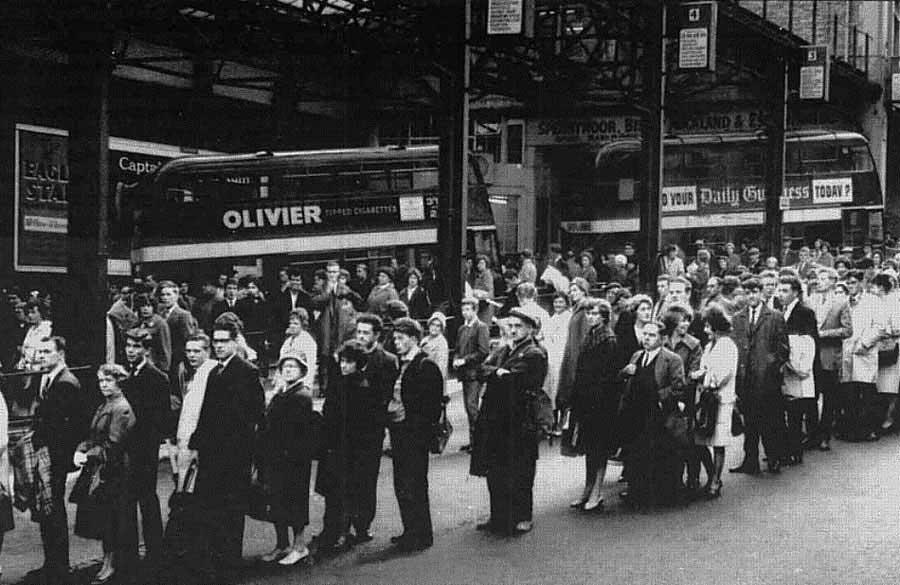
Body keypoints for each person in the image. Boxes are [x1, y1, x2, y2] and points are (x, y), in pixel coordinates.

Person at [188, 321, 265, 584]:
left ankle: (230, 566)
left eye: (224, 341)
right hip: (211, 454)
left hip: (233, 456)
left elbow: (253, 415)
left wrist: (242, 451)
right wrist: (197, 444)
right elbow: (207, 412)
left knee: (231, 511)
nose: (219, 346)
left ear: (235, 342)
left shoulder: (246, 372)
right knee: (212, 508)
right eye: (216, 341)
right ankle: (215, 560)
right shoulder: (214, 372)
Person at [472, 309, 548, 535]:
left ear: (531, 329)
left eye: (519, 326)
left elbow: (516, 380)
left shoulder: (535, 352)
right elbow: (481, 370)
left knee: (521, 469)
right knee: (496, 468)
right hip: (497, 416)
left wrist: (497, 374)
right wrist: (499, 372)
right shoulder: (504, 348)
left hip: (520, 417)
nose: (513, 330)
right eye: (511, 326)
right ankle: (499, 515)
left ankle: (523, 516)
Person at [28, 336, 91, 585]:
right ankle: (51, 562)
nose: (43, 356)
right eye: (40, 351)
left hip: (56, 455)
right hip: (45, 452)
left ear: (60, 353)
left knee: (53, 508)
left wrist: (59, 455)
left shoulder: (66, 382)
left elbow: (70, 425)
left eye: (47, 351)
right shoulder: (46, 378)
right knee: (47, 508)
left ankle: (59, 567)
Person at [72, 364, 135, 585]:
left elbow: (113, 444)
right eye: (101, 381)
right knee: (105, 519)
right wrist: (81, 448)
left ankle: (112, 564)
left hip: (114, 471)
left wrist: (89, 454)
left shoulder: (121, 408)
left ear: (119, 382)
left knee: (112, 520)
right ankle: (108, 562)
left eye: (108, 380)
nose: (104, 385)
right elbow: (94, 435)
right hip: (101, 468)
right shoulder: (106, 404)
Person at [387, 318, 443, 551]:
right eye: (395, 338)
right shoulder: (400, 363)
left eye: (401, 338)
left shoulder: (424, 364)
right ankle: (410, 529)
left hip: (414, 435)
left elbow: (431, 405)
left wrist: (415, 428)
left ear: (413, 338)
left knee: (415, 484)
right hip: (399, 432)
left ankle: (422, 534)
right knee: (402, 483)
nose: (396, 343)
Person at [617, 321, 685, 506]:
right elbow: (623, 382)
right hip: (635, 412)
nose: (646, 338)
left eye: (652, 335)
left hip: (657, 414)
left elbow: (678, 387)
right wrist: (624, 373)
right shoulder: (637, 356)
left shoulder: (672, 359)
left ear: (662, 339)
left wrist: (659, 397)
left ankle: (660, 493)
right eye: (645, 334)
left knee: (657, 452)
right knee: (635, 451)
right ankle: (636, 490)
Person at [257, 352, 315, 566]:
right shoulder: (282, 392)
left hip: (293, 459)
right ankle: (282, 544)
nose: (288, 369)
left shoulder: (301, 395)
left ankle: (299, 546)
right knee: (277, 500)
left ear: (302, 370)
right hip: (275, 456)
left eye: (293, 366)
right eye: (285, 366)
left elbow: (298, 432)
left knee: (295, 502)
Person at [120, 328, 169, 572]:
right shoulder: (126, 374)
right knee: (128, 500)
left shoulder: (156, 378)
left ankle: (155, 552)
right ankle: (130, 553)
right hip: (128, 448)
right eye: (129, 345)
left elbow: (158, 421)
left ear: (147, 350)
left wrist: (144, 446)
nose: (131, 350)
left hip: (144, 450)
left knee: (147, 499)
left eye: (137, 346)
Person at [730, 278, 789, 475]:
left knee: (769, 421)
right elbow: (735, 346)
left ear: (761, 292)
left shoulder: (774, 316)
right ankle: (750, 461)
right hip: (745, 378)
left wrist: (771, 364)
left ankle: (773, 458)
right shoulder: (738, 318)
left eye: (754, 292)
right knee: (750, 422)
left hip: (767, 380)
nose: (751, 296)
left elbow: (783, 349)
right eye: (747, 293)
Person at [568, 299, 622, 511]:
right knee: (589, 447)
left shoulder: (608, 340)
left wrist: (597, 397)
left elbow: (609, 376)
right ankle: (588, 488)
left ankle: (597, 491)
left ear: (604, 317)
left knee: (599, 448)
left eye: (594, 314)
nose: (590, 317)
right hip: (585, 400)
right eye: (588, 313)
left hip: (601, 403)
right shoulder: (590, 336)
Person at [693, 305, 738, 498]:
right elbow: (705, 366)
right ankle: (712, 474)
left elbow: (724, 373)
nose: (705, 330)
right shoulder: (710, 345)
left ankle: (716, 480)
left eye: (707, 327)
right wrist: (701, 374)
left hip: (721, 398)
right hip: (707, 398)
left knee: (718, 441)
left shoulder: (727, 345)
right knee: (702, 439)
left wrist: (708, 380)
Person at [662, 305, 704, 496]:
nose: (685, 324)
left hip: (685, 397)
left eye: (687, 320)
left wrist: (678, 388)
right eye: (681, 321)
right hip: (665, 396)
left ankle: (693, 477)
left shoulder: (693, 345)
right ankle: (671, 479)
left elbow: (692, 374)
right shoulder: (663, 340)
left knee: (688, 440)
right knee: (667, 439)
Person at [809, 268, 852, 451]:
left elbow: (848, 330)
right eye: (818, 278)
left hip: (829, 356)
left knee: (829, 399)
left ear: (833, 282)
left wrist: (824, 334)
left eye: (824, 278)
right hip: (811, 356)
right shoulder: (810, 301)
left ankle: (825, 436)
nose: (819, 281)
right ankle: (812, 435)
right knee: (811, 397)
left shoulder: (841, 303)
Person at [778, 275, 819, 464]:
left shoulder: (805, 312)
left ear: (795, 292)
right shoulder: (780, 311)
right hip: (784, 367)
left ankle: (795, 451)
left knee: (795, 412)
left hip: (798, 365)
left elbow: (811, 341)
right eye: (780, 290)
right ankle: (786, 449)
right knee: (785, 411)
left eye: (785, 291)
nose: (780, 294)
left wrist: (801, 366)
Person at [841, 270, 882, 442]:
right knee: (850, 393)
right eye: (848, 283)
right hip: (847, 351)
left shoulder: (873, 301)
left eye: (854, 282)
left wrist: (865, 343)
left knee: (867, 392)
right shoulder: (844, 302)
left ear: (862, 282)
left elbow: (880, 327)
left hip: (865, 351)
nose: (851, 286)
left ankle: (870, 428)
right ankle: (852, 429)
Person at [453, 298, 490, 451]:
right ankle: (473, 440)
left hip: (474, 373)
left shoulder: (481, 327)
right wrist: (456, 359)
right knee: (468, 408)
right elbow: (457, 348)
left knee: (472, 407)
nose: (465, 313)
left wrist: (464, 360)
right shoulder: (462, 328)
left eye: (468, 309)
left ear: (475, 310)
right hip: (465, 374)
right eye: (463, 310)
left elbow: (483, 351)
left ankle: (479, 442)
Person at [556, 278, 592, 412]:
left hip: (577, 354)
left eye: (575, 290)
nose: (572, 293)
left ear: (583, 291)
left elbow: (584, 335)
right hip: (571, 351)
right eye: (570, 291)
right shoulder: (576, 309)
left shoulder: (584, 310)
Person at [871, 274, 900, 432]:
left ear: (881, 287)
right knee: (878, 384)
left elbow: (897, 327)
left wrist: (886, 331)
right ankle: (880, 415)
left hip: (891, 345)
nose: (872, 289)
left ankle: (890, 416)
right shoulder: (875, 302)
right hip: (878, 346)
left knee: (890, 385)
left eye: (874, 286)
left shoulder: (893, 302)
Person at [543, 292, 572, 431]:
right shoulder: (552, 317)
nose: (557, 305)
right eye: (555, 302)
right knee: (551, 390)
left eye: (560, 302)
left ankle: (562, 420)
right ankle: (552, 420)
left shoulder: (568, 318)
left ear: (566, 303)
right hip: (551, 356)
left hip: (562, 355)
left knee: (561, 389)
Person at [158, 280, 197, 378]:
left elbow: (188, 340)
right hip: (163, 361)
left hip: (177, 361)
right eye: (163, 295)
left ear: (176, 296)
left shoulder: (183, 315)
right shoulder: (161, 314)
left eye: (168, 294)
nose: (165, 298)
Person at [279, 308, 318, 389]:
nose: (292, 326)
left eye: (296, 324)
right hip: (287, 381)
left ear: (303, 325)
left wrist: (306, 385)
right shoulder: (287, 341)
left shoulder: (308, 341)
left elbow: (311, 366)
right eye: (291, 323)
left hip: (301, 383)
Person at [134, 293, 172, 372]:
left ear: (153, 307)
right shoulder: (139, 322)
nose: (145, 309)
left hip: (155, 366)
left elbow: (165, 348)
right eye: (143, 306)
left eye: (148, 306)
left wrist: (163, 369)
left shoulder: (160, 324)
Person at [18, 301, 52, 371]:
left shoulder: (48, 327)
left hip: (41, 369)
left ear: (41, 313)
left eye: (33, 312)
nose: (30, 315)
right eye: (28, 313)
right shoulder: (31, 329)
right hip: (27, 369)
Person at [420, 312, 449, 380]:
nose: (434, 328)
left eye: (438, 326)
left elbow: (441, 366)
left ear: (441, 328)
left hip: (434, 379)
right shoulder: (424, 340)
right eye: (433, 324)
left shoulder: (442, 343)